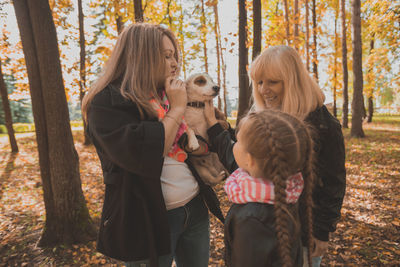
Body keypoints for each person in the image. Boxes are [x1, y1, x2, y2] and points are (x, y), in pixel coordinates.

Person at [82, 23, 223, 267]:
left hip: (195, 208)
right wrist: (177, 109)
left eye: (174, 56)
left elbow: (194, 137)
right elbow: (143, 152)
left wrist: (200, 143)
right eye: (166, 56)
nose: (175, 63)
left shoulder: (167, 92)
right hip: (148, 222)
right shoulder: (106, 101)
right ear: (140, 56)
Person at [205, 45, 346, 267]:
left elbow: (333, 183)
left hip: (300, 233)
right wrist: (219, 131)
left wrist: (321, 231)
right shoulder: (265, 113)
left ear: (293, 81)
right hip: (264, 232)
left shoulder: (323, 125)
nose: (263, 90)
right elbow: (244, 163)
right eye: (259, 82)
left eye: (272, 82)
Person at [223, 110, 315, 267]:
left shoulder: (251, 220)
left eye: (237, 140)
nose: (234, 143)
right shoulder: (288, 191)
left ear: (250, 160)